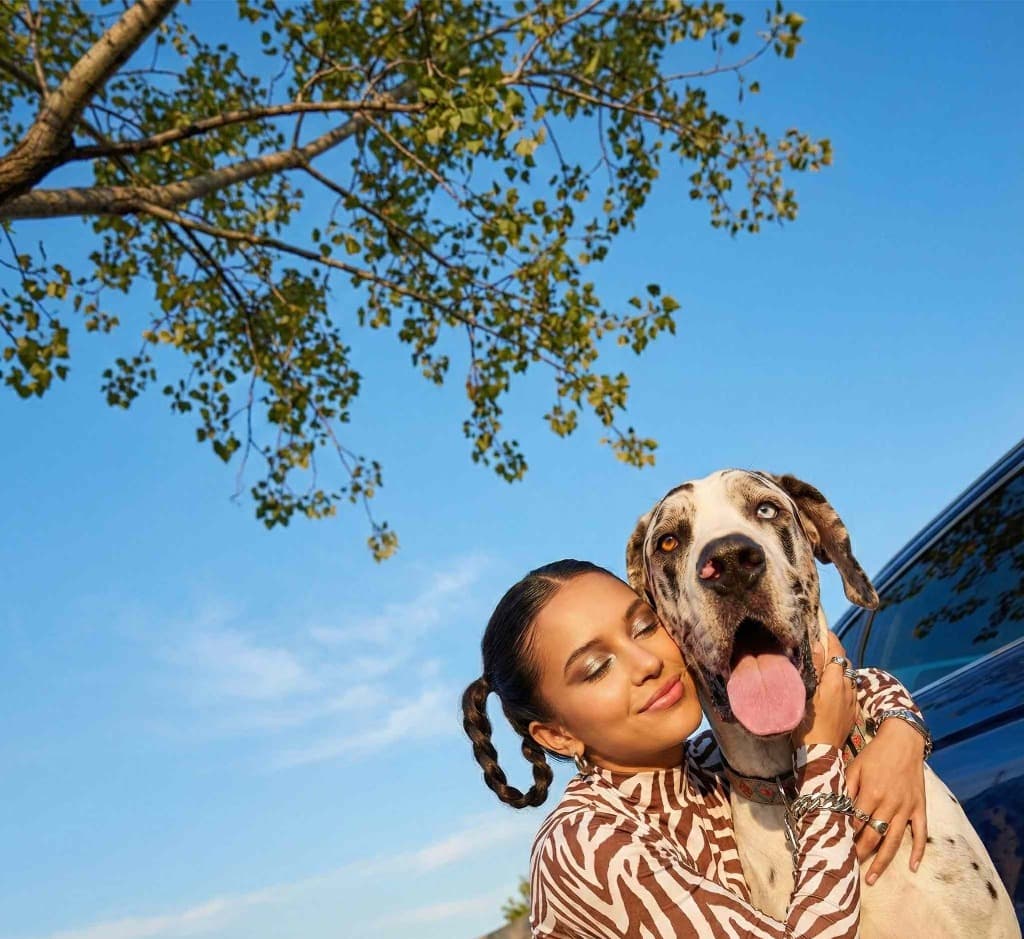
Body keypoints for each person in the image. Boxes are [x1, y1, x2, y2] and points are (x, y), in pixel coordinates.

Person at [462, 560, 929, 938]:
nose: (647, 663)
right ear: (556, 735)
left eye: (644, 627)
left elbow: (850, 688)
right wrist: (822, 754)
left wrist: (899, 734)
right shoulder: (586, 843)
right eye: (597, 667)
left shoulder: (710, 764)